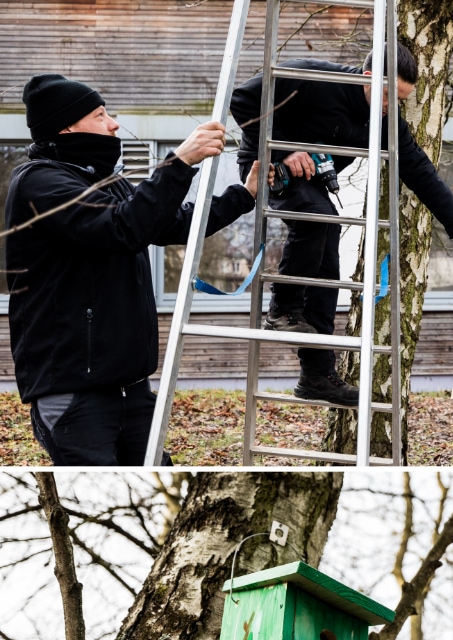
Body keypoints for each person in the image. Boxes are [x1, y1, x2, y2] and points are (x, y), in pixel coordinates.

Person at [5, 73, 264, 467]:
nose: (113, 123)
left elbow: (173, 223)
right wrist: (179, 163)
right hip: (75, 393)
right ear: (68, 126)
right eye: (100, 114)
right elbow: (122, 228)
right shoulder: (41, 183)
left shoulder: (107, 182)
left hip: (131, 388)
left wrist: (242, 196)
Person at [230, 42, 453, 407]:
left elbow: (421, 172)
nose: (392, 106)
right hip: (266, 166)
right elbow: (241, 99)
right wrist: (279, 150)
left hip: (312, 180)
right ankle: (282, 310)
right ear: (369, 77)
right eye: (389, 95)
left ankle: (317, 376)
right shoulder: (313, 78)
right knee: (319, 219)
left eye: (401, 100)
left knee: (327, 259)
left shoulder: (385, 120)